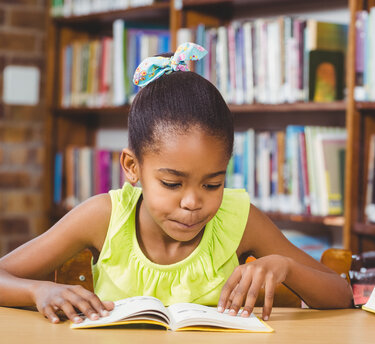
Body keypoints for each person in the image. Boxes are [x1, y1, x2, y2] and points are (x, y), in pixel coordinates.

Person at [0, 43, 353, 324]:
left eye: (212, 184)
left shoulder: (238, 218)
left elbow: (341, 293)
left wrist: (285, 266)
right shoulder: (104, 217)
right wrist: (37, 292)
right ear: (131, 166)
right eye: (171, 183)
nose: (192, 202)